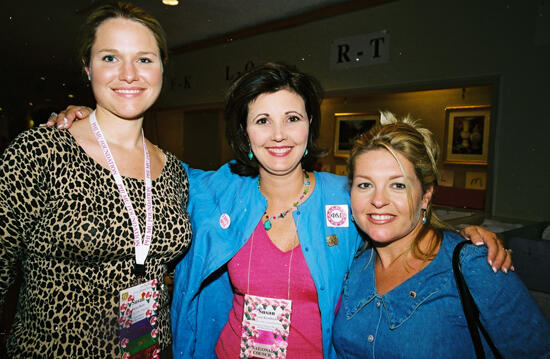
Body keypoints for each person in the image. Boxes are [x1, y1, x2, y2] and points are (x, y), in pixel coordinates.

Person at [46, 63, 511, 358]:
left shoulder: (343, 195)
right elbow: (153, 165)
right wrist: (100, 124)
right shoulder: (218, 190)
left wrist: (463, 233)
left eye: (292, 118)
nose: (279, 134)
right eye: (262, 120)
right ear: (245, 132)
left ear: (311, 124)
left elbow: (397, 211)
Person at [0, 2, 191, 357]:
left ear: (163, 68)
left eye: (145, 59)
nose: (129, 74)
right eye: (110, 58)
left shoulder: (174, 171)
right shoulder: (42, 151)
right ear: (87, 69)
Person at [332, 112, 550, 358]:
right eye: (365, 185)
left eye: (398, 185)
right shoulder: (353, 262)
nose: (378, 200)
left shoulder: (474, 266)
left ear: (426, 196)